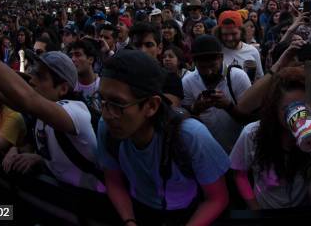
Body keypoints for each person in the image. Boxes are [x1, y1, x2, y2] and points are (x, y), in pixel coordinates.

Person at [0, 12, 105, 192]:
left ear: (63, 88)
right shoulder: (41, 115)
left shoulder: (76, 112)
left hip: (95, 209)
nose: (32, 81)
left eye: (40, 77)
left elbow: (27, 98)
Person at [96, 50, 230, 225]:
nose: (106, 114)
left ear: (151, 105)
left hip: (186, 214)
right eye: (102, 101)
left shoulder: (191, 136)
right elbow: (113, 180)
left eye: (118, 104)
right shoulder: (106, 128)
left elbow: (217, 198)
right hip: (138, 209)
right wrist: (129, 220)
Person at [230, 66, 311, 209]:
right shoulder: (253, 134)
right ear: (274, 109)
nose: (298, 117)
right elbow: (239, 174)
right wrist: (256, 209)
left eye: (304, 107)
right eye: (288, 109)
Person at [182, 35, 251, 152]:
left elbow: (249, 119)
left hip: (236, 149)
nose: (208, 72)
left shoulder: (238, 77)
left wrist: (228, 106)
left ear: (221, 58)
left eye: (212, 66)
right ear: (194, 62)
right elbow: (184, 123)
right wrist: (196, 109)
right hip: (205, 151)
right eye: (202, 67)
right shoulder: (187, 82)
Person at [129, 22, 184, 107]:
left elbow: (168, 112)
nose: (142, 50)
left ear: (159, 48)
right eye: (137, 45)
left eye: (149, 45)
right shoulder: (124, 76)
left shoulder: (170, 80)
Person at [217, 11, 264, 80]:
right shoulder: (216, 52)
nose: (230, 38)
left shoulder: (252, 51)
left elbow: (260, 78)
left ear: (241, 32)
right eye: (225, 34)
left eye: (234, 34)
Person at [70, 39, 101, 112]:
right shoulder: (69, 85)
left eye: (78, 55)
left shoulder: (102, 87)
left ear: (90, 60)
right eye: (72, 55)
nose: (73, 59)